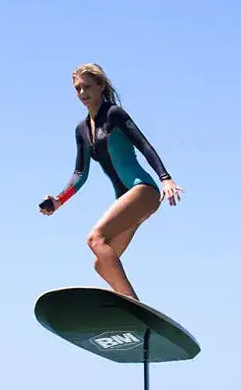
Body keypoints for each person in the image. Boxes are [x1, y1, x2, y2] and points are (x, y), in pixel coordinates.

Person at [39, 63, 184, 301]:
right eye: (77, 89)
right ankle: (129, 310)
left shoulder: (114, 114)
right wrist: (58, 201)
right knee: (102, 264)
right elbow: (80, 174)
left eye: (87, 87)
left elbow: (144, 145)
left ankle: (134, 305)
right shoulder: (82, 130)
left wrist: (165, 178)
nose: (82, 93)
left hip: (143, 190)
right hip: (126, 200)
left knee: (95, 239)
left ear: (101, 85)